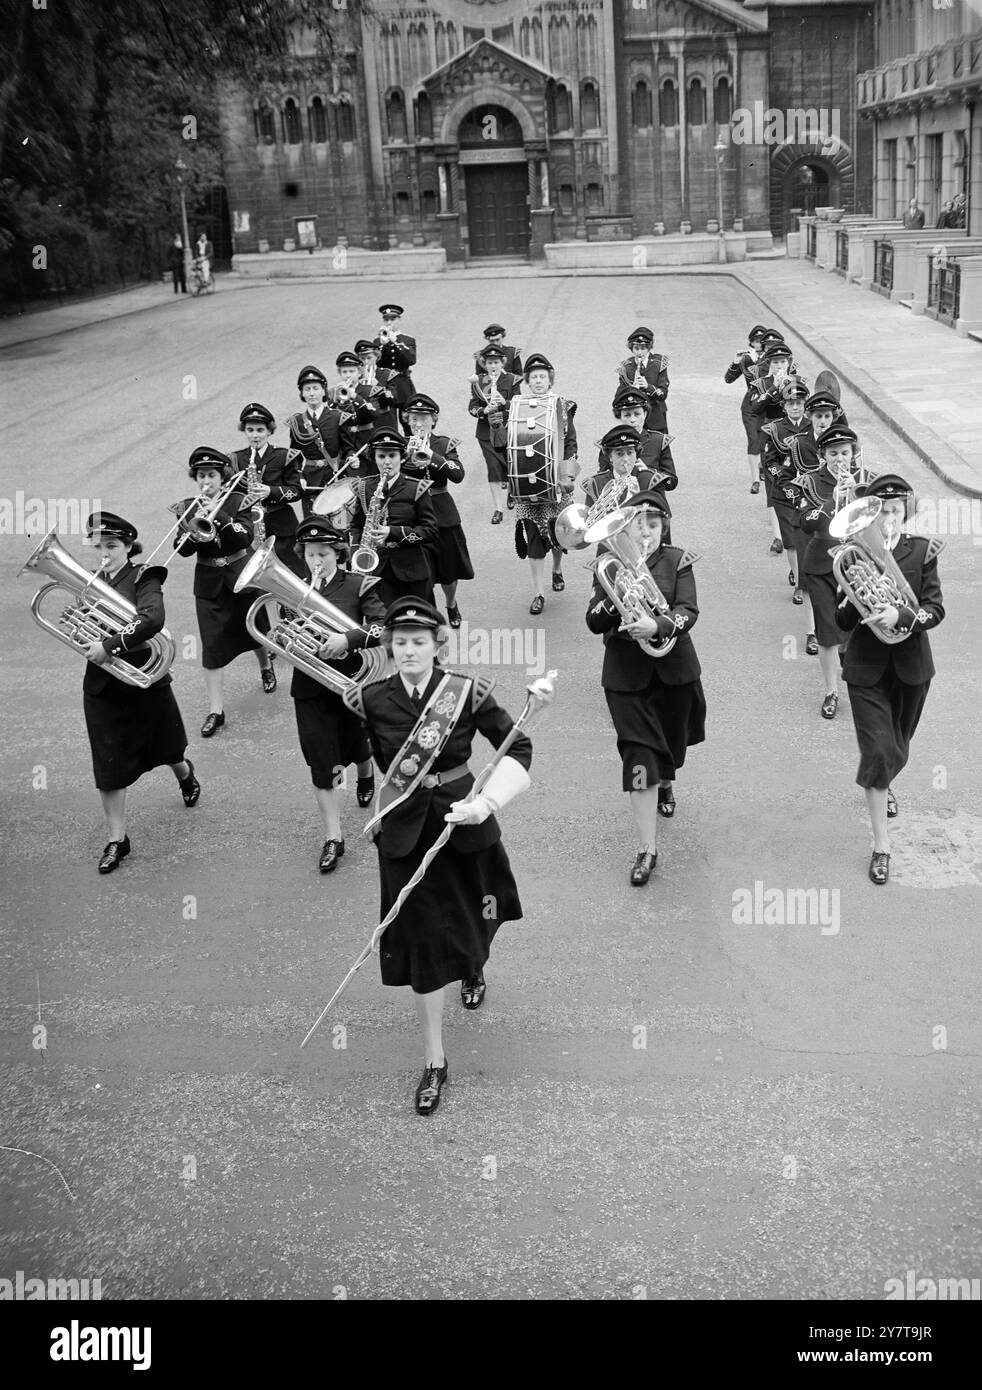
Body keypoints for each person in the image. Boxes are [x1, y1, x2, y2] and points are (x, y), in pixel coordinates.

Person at [341, 597, 533, 1114]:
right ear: (390, 646)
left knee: (476, 912)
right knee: (422, 941)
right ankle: (434, 1061)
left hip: (462, 819)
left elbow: (519, 746)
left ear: (436, 646)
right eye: (400, 642)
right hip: (404, 831)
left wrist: (487, 802)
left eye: (418, 642)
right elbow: (379, 763)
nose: (408, 651)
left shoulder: (467, 693)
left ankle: (473, 965)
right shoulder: (369, 699)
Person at [585, 491, 705, 886]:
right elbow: (593, 621)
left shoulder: (677, 560)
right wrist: (616, 599)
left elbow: (688, 610)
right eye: (640, 524)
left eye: (654, 525)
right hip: (626, 677)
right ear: (628, 526)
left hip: (674, 672)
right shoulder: (607, 564)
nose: (646, 532)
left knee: (670, 750)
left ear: (663, 528)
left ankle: (667, 781)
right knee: (639, 759)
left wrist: (659, 625)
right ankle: (646, 849)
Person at [835, 474, 944, 885]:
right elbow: (840, 620)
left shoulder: (922, 552)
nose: (889, 519)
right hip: (866, 669)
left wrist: (901, 615)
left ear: (906, 512)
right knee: (880, 751)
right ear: (871, 515)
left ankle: (885, 777)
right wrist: (852, 599)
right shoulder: (851, 556)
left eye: (896, 510)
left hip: (913, 669)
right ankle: (882, 846)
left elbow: (934, 610)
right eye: (882, 512)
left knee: (898, 746)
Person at [79, 511, 199, 874]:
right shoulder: (90, 580)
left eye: (111, 546)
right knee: (108, 762)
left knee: (167, 746)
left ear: (128, 546)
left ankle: (184, 773)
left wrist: (111, 644)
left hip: (144, 676)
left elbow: (152, 619)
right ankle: (118, 839)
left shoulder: (145, 575)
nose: (104, 552)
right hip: (103, 683)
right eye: (98, 545)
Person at [286, 517, 387, 873]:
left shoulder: (358, 585)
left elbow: (382, 626)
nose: (317, 560)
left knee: (357, 739)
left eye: (324, 553)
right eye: (311, 553)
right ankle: (333, 837)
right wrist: (287, 638)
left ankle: (365, 773)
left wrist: (349, 639)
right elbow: (284, 632)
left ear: (338, 553)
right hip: (311, 686)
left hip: (351, 681)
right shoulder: (294, 589)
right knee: (321, 760)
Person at [174, 446, 276, 736]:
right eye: (201, 476)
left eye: (212, 475)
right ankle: (215, 711)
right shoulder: (186, 508)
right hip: (208, 581)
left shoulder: (239, 501)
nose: (206, 481)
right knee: (212, 645)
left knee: (252, 628)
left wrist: (218, 518)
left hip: (239, 573)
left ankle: (265, 665)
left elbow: (244, 537)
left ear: (222, 477)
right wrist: (191, 532)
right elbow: (181, 552)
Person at [799, 425, 863, 711]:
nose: (840, 459)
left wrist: (856, 496)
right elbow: (806, 522)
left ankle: (854, 671)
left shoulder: (864, 481)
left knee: (854, 630)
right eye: (833, 453)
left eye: (845, 453)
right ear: (823, 455)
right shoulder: (810, 482)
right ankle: (831, 692)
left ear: (853, 454)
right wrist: (832, 499)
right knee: (827, 631)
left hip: (856, 563)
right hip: (822, 564)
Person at [511, 353, 579, 615]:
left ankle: (558, 568)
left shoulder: (562, 406)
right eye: (534, 377)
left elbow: (570, 443)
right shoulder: (516, 406)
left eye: (542, 376)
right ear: (527, 380)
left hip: (556, 483)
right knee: (534, 541)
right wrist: (495, 424)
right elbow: (504, 445)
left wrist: (568, 476)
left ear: (550, 380)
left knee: (559, 534)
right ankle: (538, 593)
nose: (538, 380)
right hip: (527, 488)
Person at [400, 393, 473, 629]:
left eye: (423, 418)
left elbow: (458, 474)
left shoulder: (443, 443)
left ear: (433, 419)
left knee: (449, 571)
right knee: (422, 573)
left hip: (442, 511)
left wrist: (433, 456)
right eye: (413, 419)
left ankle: (451, 604)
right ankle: (428, 615)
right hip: (413, 514)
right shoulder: (400, 446)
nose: (418, 424)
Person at [348, 427, 438, 609]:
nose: (387, 462)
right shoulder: (364, 487)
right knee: (385, 624)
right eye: (381, 456)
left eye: (392, 455)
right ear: (374, 458)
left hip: (412, 569)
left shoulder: (417, 488)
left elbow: (430, 531)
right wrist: (356, 554)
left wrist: (392, 532)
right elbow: (357, 526)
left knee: (421, 621)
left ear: (402, 457)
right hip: (377, 569)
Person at [231, 402, 304, 576]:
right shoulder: (235, 459)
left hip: (282, 526)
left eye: (260, 430)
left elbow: (296, 491)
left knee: (293, 574)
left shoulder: (284, 456)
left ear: (269, 431)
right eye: (250, 430)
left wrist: (270, 491)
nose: (255, 435)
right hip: (249, 526)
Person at [759, 376, 810, 598]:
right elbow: (769, 464)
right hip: (784, 492)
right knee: (791, 542)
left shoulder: (814, 426)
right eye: (791, 403)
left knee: (810, 539)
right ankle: (800, 584)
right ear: (784, 406)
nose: (796, 407)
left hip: (811, 491)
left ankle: (810, 578)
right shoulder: (775, 429)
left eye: (799, 403)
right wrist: (786, 484)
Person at [468, 342, 522, 523]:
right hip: (486, 432)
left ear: (502, 363)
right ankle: (497, 509)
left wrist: (504, 402)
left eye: (496, 362)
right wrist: (483, 411)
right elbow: (473, 405)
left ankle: (512, 491)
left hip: (508, 431)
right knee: (493, 467)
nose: (492, 366)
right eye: (489, 363)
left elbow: (518, 403)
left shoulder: (512, 380)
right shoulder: (479, 381)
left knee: (510, 464)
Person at [288, 366, 342, 518]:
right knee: (313, 525)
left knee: (339, 525)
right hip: (311, 480)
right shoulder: (296, 422)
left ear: (324, 391)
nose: (312, 393)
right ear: (302, 394)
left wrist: (347, 465)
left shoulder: (337, 417)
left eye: (316, 388)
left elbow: (348, 448)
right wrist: (300, 477)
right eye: (307, 389)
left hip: (335, 477)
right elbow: (295, 455)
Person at [723, 324, 769, 492]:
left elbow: (765, 378)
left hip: (768, 402)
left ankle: (763, 467)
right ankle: (755, 480)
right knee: (753, 439)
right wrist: (736, 362)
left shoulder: (771, 359)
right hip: (750, 403)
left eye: (760, 342)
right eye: (755, 342)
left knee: (766, 438)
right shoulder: (747, 358)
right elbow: (728, 379)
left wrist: (757, 360)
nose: (758, 345)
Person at [615, 326, 670, 433]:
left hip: (656, 417)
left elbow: (663, 394)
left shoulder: (659, 364)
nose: (640, 352)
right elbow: (617, 398)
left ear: (649, 348)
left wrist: (648, 387)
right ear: (631, 348)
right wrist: (631, 389)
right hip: (634, 418)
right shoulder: (626, 367)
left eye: (643, 348)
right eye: (636, 348)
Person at [355, 338, 402, 436]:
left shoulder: (387, 374)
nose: (366, 362)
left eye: (369, 358)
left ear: (377, 356)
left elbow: (393, 400)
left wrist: (377, 385)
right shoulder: (355, 377)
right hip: (364, 425)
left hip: (384, 422)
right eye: (362, 359)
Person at [374, 303, 416, 410]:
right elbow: (377, 362)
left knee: (407, 419)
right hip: (386, 383)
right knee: (388, 420)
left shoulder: (407, 339)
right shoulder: (377, 341)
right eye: (386, 320)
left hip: (403, 383)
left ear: (399, 320)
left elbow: (411, 359)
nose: (389, 323)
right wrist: (383, 345)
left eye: (392, 319)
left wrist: (395, 342)